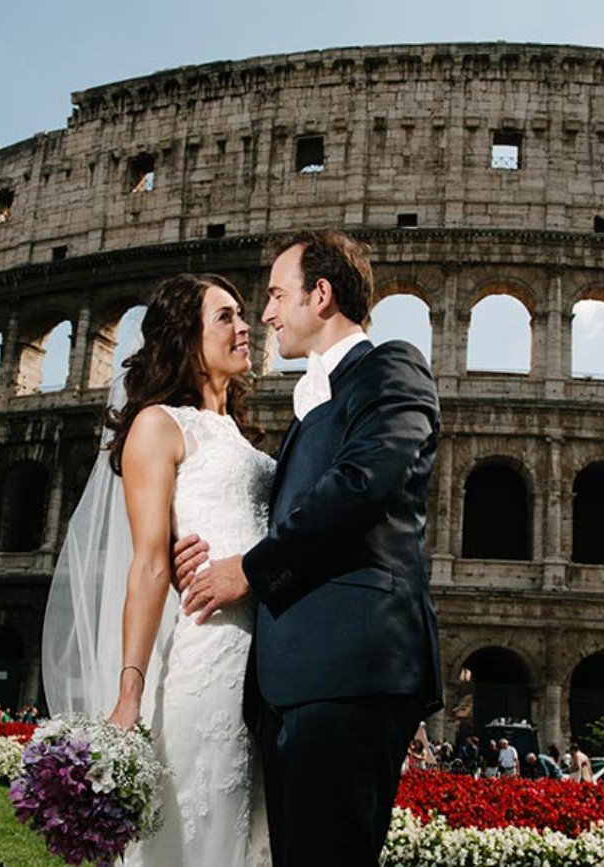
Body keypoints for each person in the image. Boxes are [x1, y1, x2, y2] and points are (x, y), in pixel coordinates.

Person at [175, 229, 443, 866]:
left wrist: (249, 568)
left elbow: (361, 487)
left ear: (321, 295)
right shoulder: (310, 402)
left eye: (275, 295)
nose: (264, 315)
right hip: (294, 680)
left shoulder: (391, 365)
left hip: (351, 663)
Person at [43, 273, 273, 867]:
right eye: (224, 316)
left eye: (243, 314)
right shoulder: (158, 425)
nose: (244, 326)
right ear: (184, 337)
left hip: (266, 663)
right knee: (201, 829)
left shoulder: (242, 436)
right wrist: (128, 692)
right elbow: (148, 563)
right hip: (210, 657)